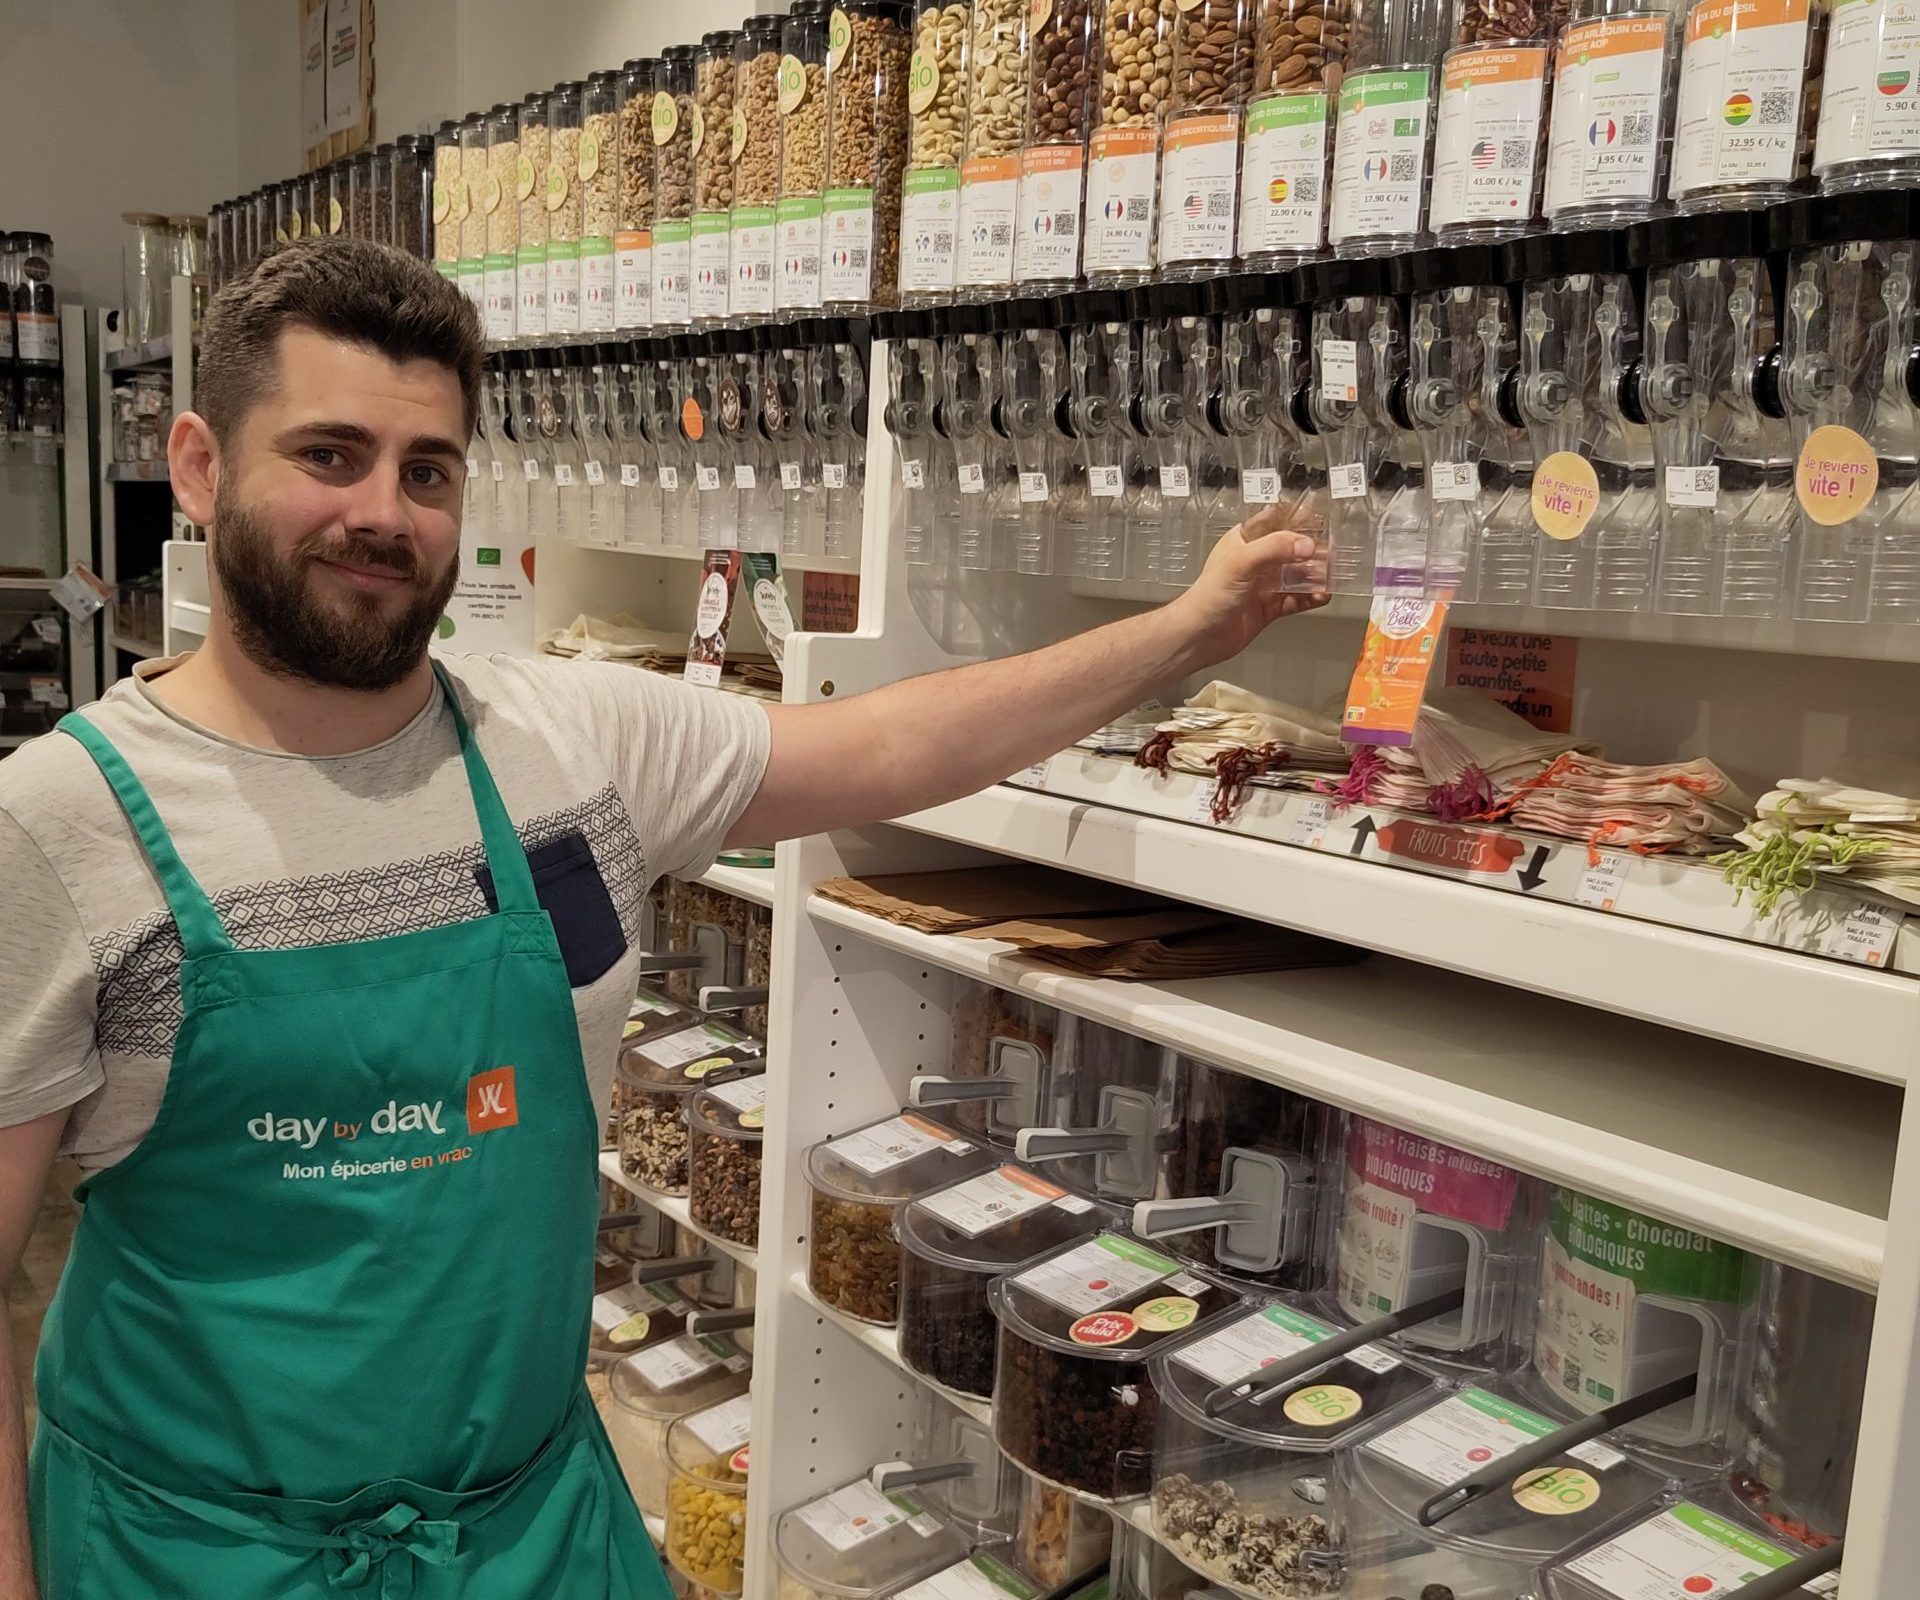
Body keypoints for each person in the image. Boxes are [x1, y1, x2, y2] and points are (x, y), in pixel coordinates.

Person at [0, 239, 1326, 1600]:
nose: (384, 513)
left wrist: (1188, 627)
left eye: (429, 470)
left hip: (525, 1534)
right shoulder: (61, 823)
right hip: (198, 1558)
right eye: (329, 456)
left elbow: (886, 746)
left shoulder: (567, 742)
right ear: (204, 468)